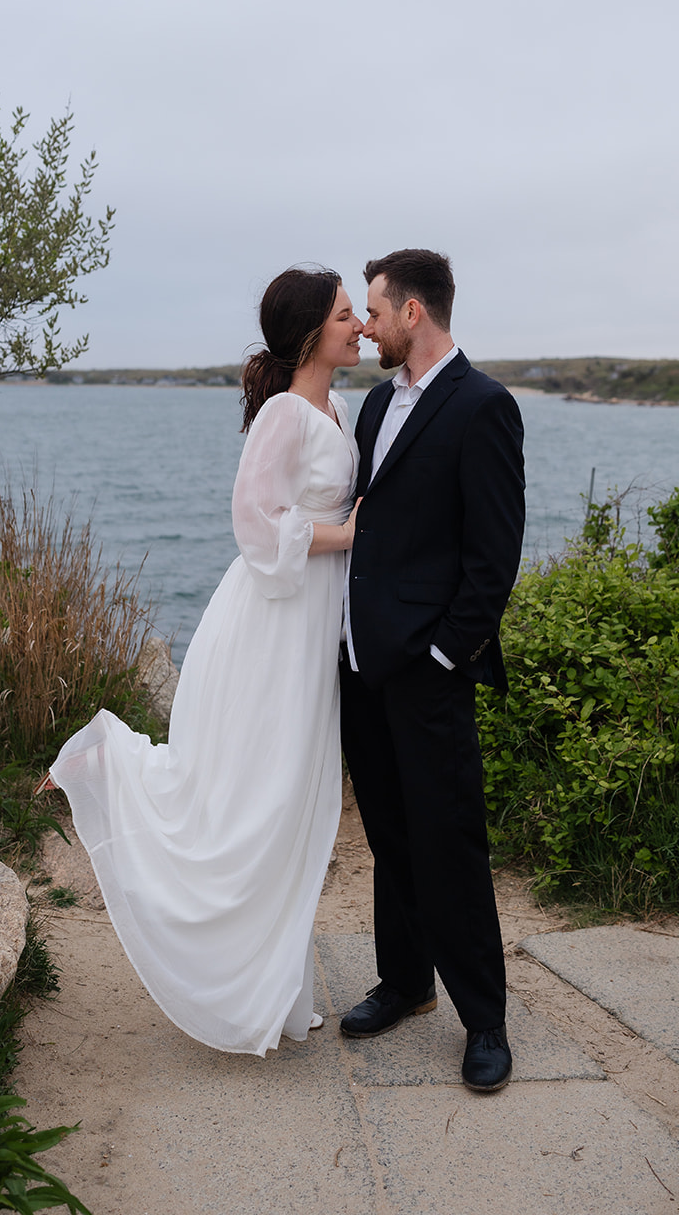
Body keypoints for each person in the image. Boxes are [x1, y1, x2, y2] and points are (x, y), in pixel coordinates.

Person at [38, 267, 362, 1056]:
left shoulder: (340, 406)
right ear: (311, 330)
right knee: (253, 795)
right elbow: (254, 526)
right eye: (348, 314)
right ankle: (105, 760)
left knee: (294, 803)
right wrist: (350, 535)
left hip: (314, 620)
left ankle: (270, 985)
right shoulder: (284, 412)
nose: (360, 325)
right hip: (271, 622)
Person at [338, 248, 525, 1092]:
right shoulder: (376, 402)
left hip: (428, 669)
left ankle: (483, 1020)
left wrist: (447, 654)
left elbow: (493, 557)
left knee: (449, 841)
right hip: (361, 662)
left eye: (374, 310)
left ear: (413, 312)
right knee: (389, 835)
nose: (366, 324)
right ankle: (407, 982)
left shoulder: (483, 406)